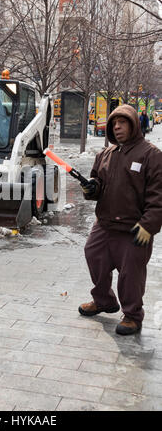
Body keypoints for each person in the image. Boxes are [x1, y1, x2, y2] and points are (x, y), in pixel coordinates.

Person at [78, 104, 162, 335]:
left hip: (134, 229)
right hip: (104, 225)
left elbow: (158, 196)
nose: (117, 127)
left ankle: (133, 315)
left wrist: (149, 225)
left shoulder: (151, 155)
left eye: (122, 122)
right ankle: (104, 301)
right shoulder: (105, 154)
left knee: (131, 275)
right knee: (93, 255)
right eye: (114, 123)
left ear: (134, 124)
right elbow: (98, 185)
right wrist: (91, 189)